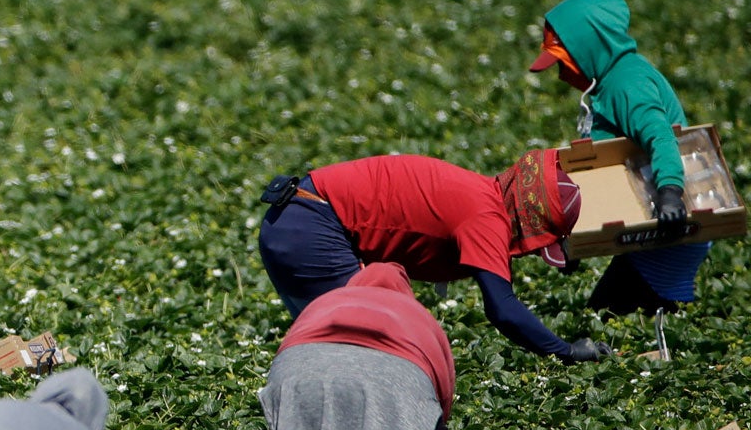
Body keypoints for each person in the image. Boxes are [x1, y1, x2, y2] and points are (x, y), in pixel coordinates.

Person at [257, 147, 611, 363]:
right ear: (527, 219)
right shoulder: (488, 219)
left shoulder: (480, 191)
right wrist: (565, 352)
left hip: (290, 216)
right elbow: (503, 310)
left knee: (326, 348)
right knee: (366, 352)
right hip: (313, 228)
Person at [530, 0, 702, 314]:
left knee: (613, 316)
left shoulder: (628, 84)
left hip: (668, 215)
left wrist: (669, 192)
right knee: (616, 314)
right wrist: (574, 241)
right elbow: (605, 170)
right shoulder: (609, 84)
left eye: (564, 62)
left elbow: (661, 138)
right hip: (648, 215)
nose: (561, 73)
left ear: (589, 49)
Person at [259, 263, 460, 430]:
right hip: (391, 378)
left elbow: (288, 352)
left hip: (300, 375)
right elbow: (442, 391)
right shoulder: (415, 311)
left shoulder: (327, 300)